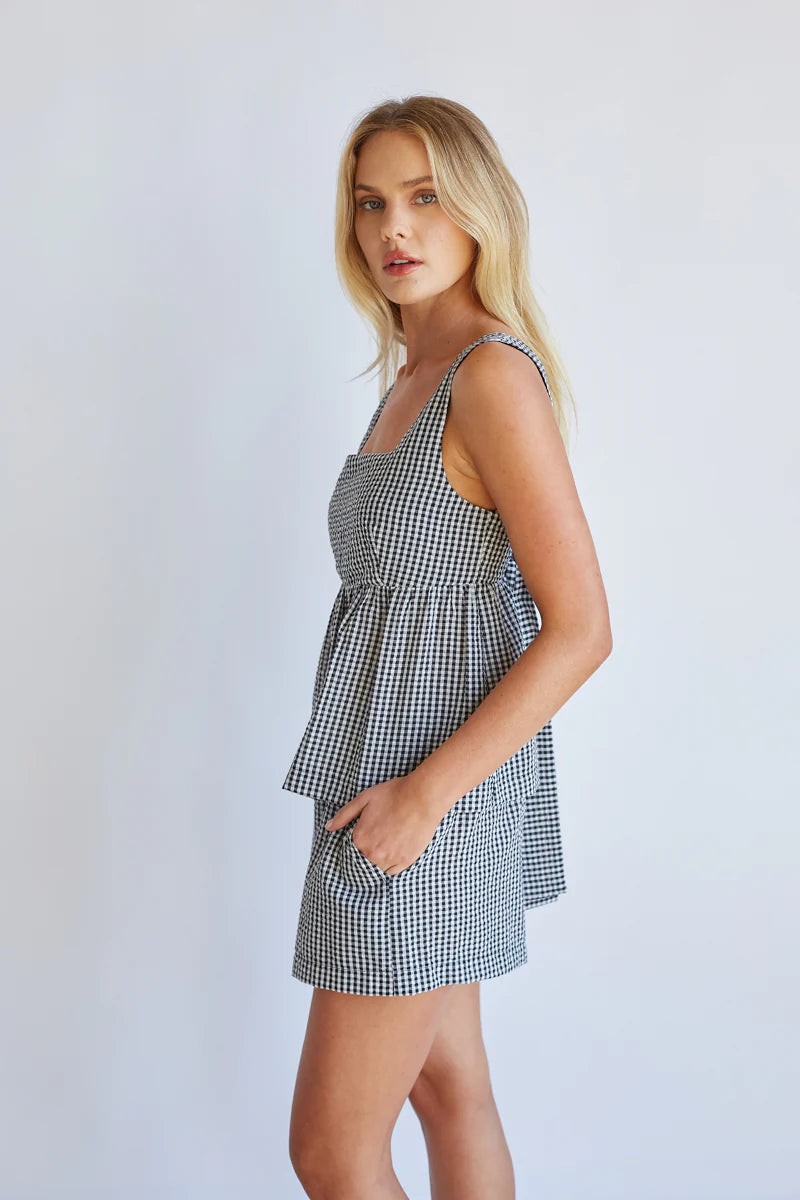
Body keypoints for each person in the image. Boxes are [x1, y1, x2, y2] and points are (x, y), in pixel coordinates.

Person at [283, 95, 612, 1200]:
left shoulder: (488, 375)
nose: (395, 228)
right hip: (388, 785)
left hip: (428, 798)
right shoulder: (412, 379)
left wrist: (424, 799)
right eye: (370, 202)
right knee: (446, 1087)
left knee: (330, 1152)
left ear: (478, 210)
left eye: (425, 197)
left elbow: (581, 628)